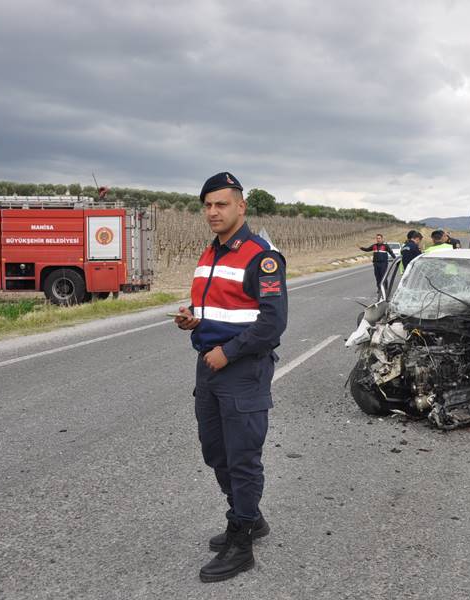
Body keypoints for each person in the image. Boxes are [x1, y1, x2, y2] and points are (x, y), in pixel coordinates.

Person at [174, 172, 288, 583]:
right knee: (215, 452)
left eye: (221, 204)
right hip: (209, 366)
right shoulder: (211, 252)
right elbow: (221, 306)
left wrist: (230, 351)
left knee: (242, 458)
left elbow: (273, 323)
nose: (212, 212)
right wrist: (193, 319)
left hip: (242, 370)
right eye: (207, 205)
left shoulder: (262, 255)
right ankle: (249, 518)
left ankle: (242, 544)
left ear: (242, 206)